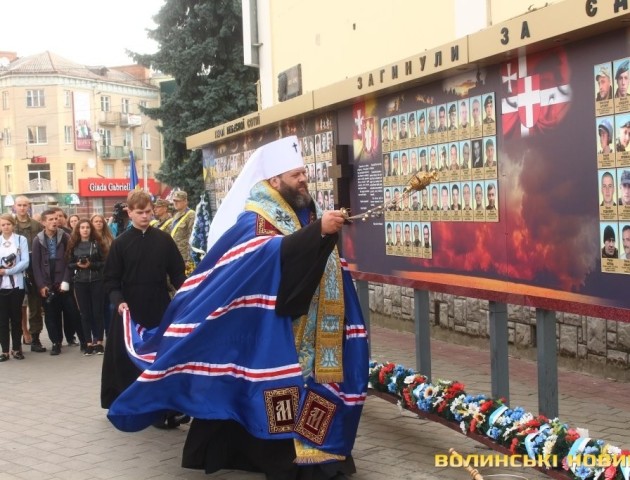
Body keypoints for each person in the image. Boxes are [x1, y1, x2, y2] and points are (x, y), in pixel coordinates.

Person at [106, 136, 368, 479]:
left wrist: (319, 231)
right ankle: (281, 458)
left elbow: (305, 254)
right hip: (267, 329)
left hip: (310, 326)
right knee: (267, 392)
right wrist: (317, 232)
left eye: (303, 173)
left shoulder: (302, 213)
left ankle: (317, 453)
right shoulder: (255, 219)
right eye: (295, 175)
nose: (303, 179)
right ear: (274, 181)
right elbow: (267, 254)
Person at [101, 191, 186, 419]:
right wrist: (119, 302)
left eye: (148, 211)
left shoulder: (164, 239)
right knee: (126, 359)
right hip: (130, 310)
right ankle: (127, 403)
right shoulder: (120, 244)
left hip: (159, 307)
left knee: (160, 357)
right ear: (129, 212)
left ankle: (163, 406)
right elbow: (111, 280)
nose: (145, 216)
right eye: (140, 213)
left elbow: (177, 273)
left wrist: (189, 293)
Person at [31, 209, 82, 355]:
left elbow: (69, 260)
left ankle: (83, 341)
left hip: (63, 282)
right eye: (50, 219)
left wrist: (66, 280)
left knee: (72, 312)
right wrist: (41, 285)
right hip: (47, 283)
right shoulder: (38, 240)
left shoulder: (65, 236)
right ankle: (56, 342)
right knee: (51, 315)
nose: (54, 222)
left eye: (55, 219)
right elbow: (36, 265)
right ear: (43, 222)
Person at [66, 219, 107, 356]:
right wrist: (78, 265)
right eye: (82, 227)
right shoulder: (73, 245)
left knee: (98, 312)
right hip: (80, 282)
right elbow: (69, 264)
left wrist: (90, 265)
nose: (85, 230)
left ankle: (99, 342)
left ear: (91, 229)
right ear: (78, 230)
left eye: (87, 227)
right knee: (85, 314)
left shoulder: (97, 244)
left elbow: (104, 263)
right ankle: (88, 343)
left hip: (96, 280)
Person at [14, 195, 46, 353]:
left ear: (29, 206)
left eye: (24, 205)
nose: (22, 208)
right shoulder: (8, 225)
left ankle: (35, 338)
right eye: (19, 205)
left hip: (32, 270)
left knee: (34, 306)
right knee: (16, 306)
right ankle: (16, 340)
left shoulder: (36, 226)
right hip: (13, 272)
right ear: (14, 206)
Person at [0, 214, 30, 362]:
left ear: (13, 225)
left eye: (8, 224)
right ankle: (4, 350)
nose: (5, 227)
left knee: (16, 318)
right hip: (1, 286)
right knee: (3, 319)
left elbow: (25, 262)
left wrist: (8, 271)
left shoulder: (20, 240)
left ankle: (17, 348)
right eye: (3, 225)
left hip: (17, 284)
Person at [169, 191, 195, 273]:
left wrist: (189, 259)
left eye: (178, 201)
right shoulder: (176, 215)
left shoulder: (191, 215)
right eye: (174, 201)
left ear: (185, 202)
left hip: (184, 256)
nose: (175, 203)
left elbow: (192, 238)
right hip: (174, 254)